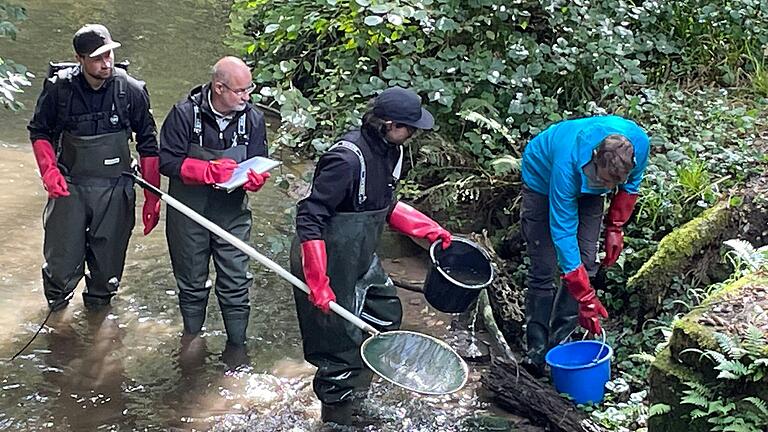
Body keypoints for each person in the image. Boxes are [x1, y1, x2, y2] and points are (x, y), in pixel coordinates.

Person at [290, 86, 453, 426]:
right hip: (324, 257)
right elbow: (309, 218)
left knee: (384, 312)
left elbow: (385, 205)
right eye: (409, 127)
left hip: (360, 255)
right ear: (389, 124)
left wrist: (427, 229)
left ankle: (359, 392)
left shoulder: (391, 152)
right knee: (337, 345)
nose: (413, 134)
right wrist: (317, 280)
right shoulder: (346, 159)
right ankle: (337, 416)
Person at [27, 24, 160, 311]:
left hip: (115, 189)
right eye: (98, 57)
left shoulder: (131, 91)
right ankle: (57, 321)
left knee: (107, 272)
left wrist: (153, 197)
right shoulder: (59, 90)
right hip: (69, 188)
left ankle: (97, 323)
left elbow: (149, 144)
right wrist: (49, 172)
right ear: (80, 58)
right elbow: (39, 132)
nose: (106, 62)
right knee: (61, 266)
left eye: (109, 54)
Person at [519, 115, 650, 376]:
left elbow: (630, 186)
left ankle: (559, 346)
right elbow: (564, 233)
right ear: (594, 157)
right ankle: (535, 350)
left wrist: (615, 227)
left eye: (613, 184)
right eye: (603, 181)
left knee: (587, 261)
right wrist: (587, 297)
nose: (608, 187)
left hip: (588, 189)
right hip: (543, 180)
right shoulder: (566, 167)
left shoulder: (639, 145)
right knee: (544, 266)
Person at [158, 56, 270, 351]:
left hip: (232, 213)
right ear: (219, 87)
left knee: (236, 282)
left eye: (249, 89)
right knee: (192, 283)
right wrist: (204, 171)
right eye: (241, 90)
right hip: (188, 213)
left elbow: (258, 158)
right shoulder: (183, 115)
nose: (248, 96)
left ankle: (237, 346)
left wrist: (255, 179)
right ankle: (192, 341)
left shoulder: (253, 119)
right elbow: (166, 161)